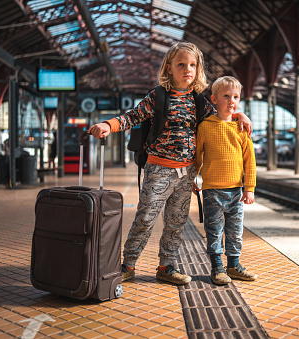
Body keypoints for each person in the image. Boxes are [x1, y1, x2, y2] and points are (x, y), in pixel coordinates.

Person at [88, 42, 252, 285]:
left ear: (198, 70)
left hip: (186, 175)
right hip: (158, 170)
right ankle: (127, 264)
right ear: (169, 68)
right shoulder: (158, 96)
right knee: (145, 219)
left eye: (193, 65)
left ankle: (166, 266)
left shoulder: (199, 102)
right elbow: (133, 116)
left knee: (176, 224)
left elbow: (222, 116)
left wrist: (240, 114)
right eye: (181, 64)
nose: (188, 69)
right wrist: (108, 125)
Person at [193, 76, 257, 285]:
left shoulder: (241, 128)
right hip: (211, 191)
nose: (232, 101)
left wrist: (250, 188)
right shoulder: (205, 127)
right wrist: (192, 178)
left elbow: (250, 161)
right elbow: (197, 157)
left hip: (236, 192)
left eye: (236, 97)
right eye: (226, 96)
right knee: (214, 230)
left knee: (235, 231)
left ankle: (234, 265)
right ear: (213, 99)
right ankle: (217, 267)